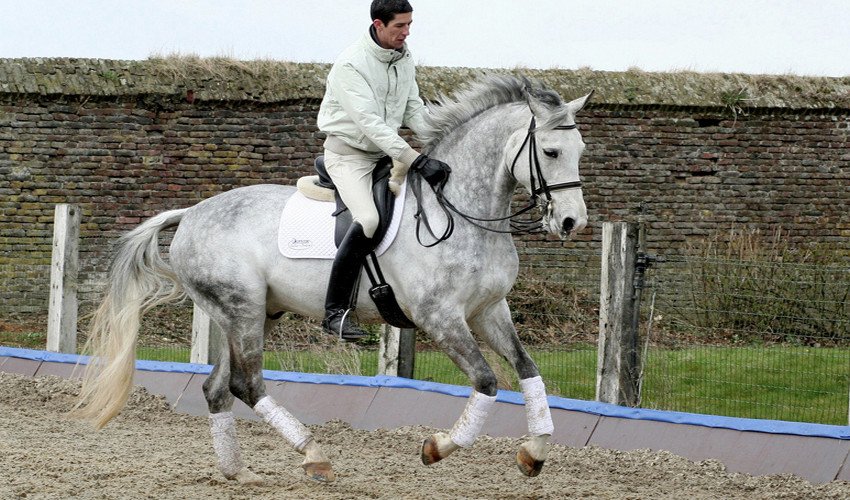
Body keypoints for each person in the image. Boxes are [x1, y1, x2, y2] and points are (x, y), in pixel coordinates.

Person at [317, 0, 451, 341]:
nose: (406, 33)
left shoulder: (402, 58)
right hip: (348, 158)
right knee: (370, 219)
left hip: (383, 156)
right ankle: (335, 311)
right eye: (399, 27)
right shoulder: (350, 65)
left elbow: (412, 109)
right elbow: (372, 125)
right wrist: (416, 160)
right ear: (378, 24)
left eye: (409, 25)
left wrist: (441, 141)